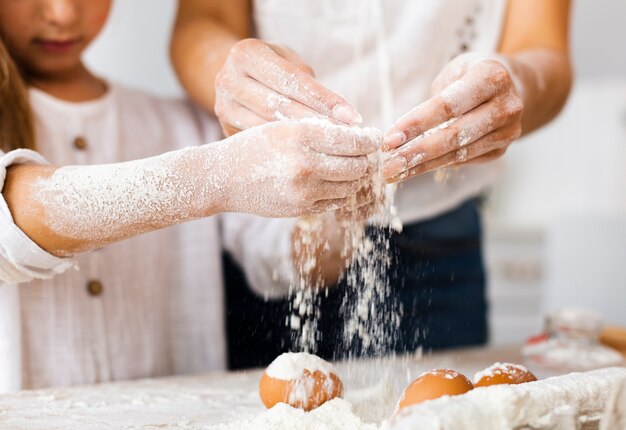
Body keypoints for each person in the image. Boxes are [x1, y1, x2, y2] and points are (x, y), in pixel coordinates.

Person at [0, 0, 378, 392]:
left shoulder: (180, 123)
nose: (62, 13)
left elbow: (281, 258)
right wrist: (217, 177)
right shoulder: (204, 154)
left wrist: (340, 203)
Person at [171, 0, 573, 367]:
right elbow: (203, 23)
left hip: (436, 229)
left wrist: (513, 83)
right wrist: (232, 75)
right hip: (274, 215)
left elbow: (542, 48)